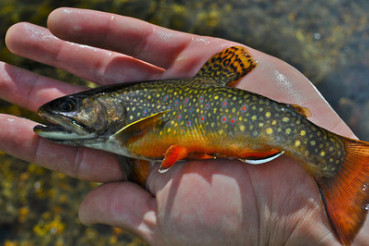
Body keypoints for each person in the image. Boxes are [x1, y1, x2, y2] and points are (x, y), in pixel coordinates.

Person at [0, 7, 367, 245]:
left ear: (108, 107)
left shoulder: (130, 130)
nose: (62, 111)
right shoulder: (126, 131)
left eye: (71, 106)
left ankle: (341, 163)